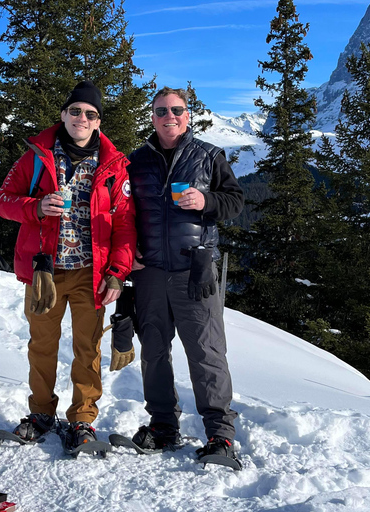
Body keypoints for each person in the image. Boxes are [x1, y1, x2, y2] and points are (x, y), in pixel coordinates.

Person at [0, 80, 136, 449]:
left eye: (90, 114)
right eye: (75, 111)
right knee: (42, 345)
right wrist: (35, 207)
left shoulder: (114, 166)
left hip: (92, 274)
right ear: (63, 115)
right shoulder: (37, 156)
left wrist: (118, 273)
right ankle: (41, 413)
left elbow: (124, 225)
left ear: (98, 122)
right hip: (45, 272)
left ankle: (83, 419)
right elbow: (2, 200)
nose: (82, 118)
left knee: (87, 349)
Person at [126, 86, 244, 465]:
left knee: (206, 353)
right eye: (161, 111)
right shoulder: (136, 160)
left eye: (176, 109)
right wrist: (130, 250)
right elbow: (123, 213)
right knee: (154, 352)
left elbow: (235, 201)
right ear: (153, 116)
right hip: (150, 271)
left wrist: (206, 201)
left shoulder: (209, 155)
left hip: (195, 269)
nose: (169, 116)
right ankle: (163, 425)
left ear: (188, 115)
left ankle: (220, 436)